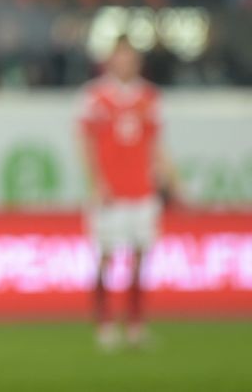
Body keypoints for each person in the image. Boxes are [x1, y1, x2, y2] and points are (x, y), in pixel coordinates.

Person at [78, 35, 183, 350]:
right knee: (106, 255)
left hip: (142, 189)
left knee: (140, 257)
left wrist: (173, 179)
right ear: (110, 60)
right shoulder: (94, 96)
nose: (125, 62)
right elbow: (85, 142)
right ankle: (105, 323)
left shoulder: (149, 97)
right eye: (120, 56)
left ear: (137, 62)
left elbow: (156, 145)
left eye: (130, 57)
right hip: (111, 192)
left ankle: (136, 324)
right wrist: (96, 182)